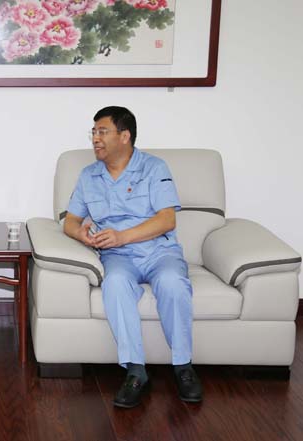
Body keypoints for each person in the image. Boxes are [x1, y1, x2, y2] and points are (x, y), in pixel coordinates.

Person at [63, 106, 202, 408]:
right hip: (117, 256)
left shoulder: (154, 168)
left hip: (158, 250)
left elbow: (167, 220)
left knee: (173, 283)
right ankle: (135, 371)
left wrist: (122, 236)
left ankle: (183, 367)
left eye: (102, 131)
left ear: (124, 136)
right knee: (114, 284)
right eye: (93, 132)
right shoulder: (88, 175)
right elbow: (70, 221)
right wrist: (81, 234)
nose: (95, 138)